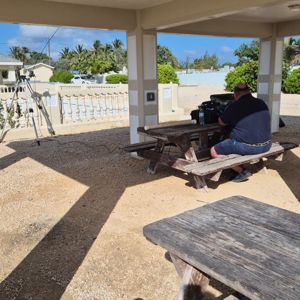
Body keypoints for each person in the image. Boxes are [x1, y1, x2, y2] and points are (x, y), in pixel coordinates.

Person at [211, 83, 272, 182]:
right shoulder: (261, 103)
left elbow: (221, 122)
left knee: (214, 150)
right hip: (267, 145)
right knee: (231, 140)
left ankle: (241, 170)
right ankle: (235, 167)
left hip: (250, 148)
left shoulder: (234, 106)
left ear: (235, 94)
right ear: (249, 92)